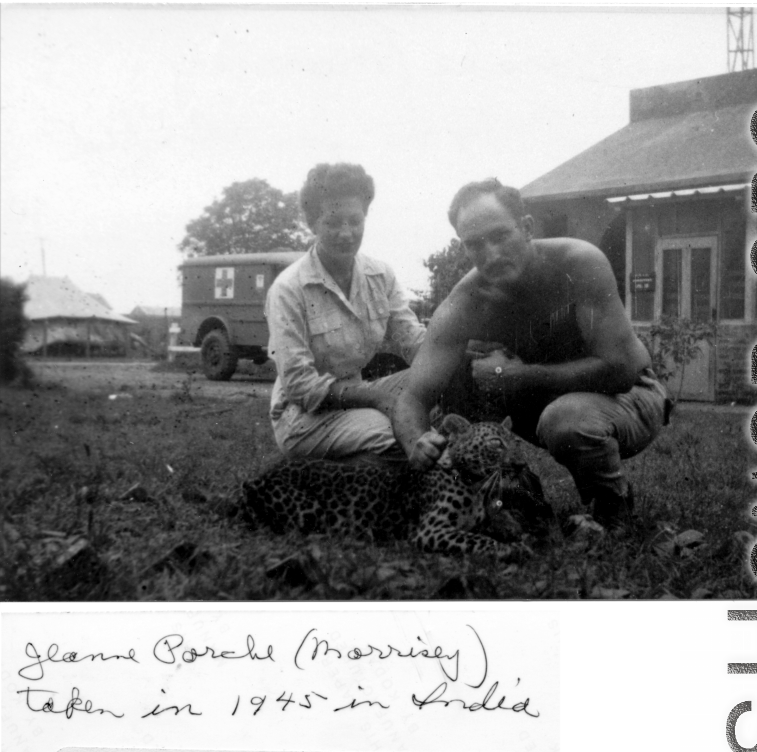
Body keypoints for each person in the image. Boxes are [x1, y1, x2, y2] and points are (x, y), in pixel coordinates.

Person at [392, 178, 669, 531]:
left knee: (564, 420)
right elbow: (412, 397)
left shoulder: (577, 262)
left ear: (526, 228)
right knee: (461, 374)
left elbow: (621, 369)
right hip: (544, 398)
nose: (491, 254)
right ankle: (495, 498)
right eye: (475, 244)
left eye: (500, 236)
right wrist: (418, 441)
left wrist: (515, 377)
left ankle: (612, 503)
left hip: (629, 397)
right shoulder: (465, 303)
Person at [266, 163, 425, 460]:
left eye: (355, 221)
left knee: (446, 376)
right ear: (313, 224)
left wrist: (460, 352)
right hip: (305, 416)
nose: (346, 233)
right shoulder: (289, 289)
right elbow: (301, 386)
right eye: (333, 222)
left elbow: (412, 339)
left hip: (360, 396)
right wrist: (377, 398)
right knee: (399, 432)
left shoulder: (380, 275)